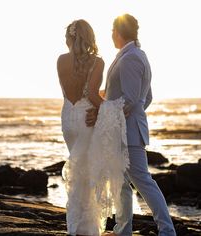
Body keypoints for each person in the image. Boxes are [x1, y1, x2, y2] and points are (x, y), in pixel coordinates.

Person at [86, 14, 177, 236]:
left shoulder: (131, 58)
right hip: (123, 129)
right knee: (121, 182)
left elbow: (130, 99)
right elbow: (146, 97)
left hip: (129, 133)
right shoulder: (135, 55)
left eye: (111, 31)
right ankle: (123, 229)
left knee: (143, 182)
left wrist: (103, 110)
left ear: (118, 32)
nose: (110, 36)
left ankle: (167, 231)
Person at [57, 19, 129, 236]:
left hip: (68, 119)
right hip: (86, 119)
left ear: (69, 37)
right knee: (87, 173)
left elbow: (72, 91)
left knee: (78, 169)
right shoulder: (97, 62)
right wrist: (112, 109)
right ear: (89, 37)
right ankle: (85, 228)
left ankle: (76, 224)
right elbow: (89, 94)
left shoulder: (60, 60)